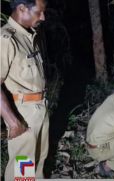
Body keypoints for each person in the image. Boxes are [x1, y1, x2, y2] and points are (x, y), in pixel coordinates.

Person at [0, 0, 48, 179]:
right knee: (23, 166)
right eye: (39, 12)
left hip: (40, 107)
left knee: (38, 160)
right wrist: (13, 123)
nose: (43, 17)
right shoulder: (6, 39)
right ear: (22, 9)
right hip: (23, 113)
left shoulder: (28, 36)